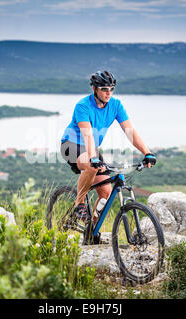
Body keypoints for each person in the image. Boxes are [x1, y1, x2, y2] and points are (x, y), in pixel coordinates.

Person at [60, 70, 157, 222]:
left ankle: (92, 231)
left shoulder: (116, 105)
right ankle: (79, 204)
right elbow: (88, 134)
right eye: (104, 89)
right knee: (91, 166)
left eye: (111, 89)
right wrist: (93, 157)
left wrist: (147, 153)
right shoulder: (83, 106)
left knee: (105, 193)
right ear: (94, 89)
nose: (108, 93)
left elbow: (130, 132)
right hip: (71, 145)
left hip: (92, 150)